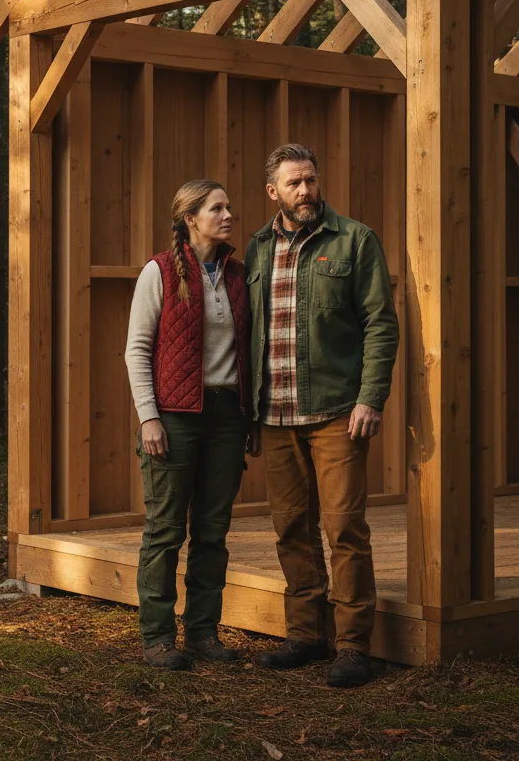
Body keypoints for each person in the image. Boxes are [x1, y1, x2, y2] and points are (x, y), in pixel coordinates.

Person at [245, 144, 399, 689]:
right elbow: (250, 334)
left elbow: (381, 323)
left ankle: (354, 646)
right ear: (273, 192)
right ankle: (305, 636)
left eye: (311, 179)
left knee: (345, 529)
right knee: (291, 528)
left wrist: (370, 397)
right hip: (276, 414)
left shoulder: (354, 240)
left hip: (337, 412)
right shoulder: (258, 248)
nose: (306, 190)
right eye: (294, 183)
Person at [125, 179, 254, 670]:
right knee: (164, 530)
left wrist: (249, 417)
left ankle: (202, 632)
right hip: (174, 417)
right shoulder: (158, 272)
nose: (227, 215)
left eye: (228, 206)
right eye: (216, 208)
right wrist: (149, 417)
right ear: (190, 218)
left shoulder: (239, 275)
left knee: (212, 531)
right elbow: (137, 349)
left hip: (226, 416)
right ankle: (157, 638)